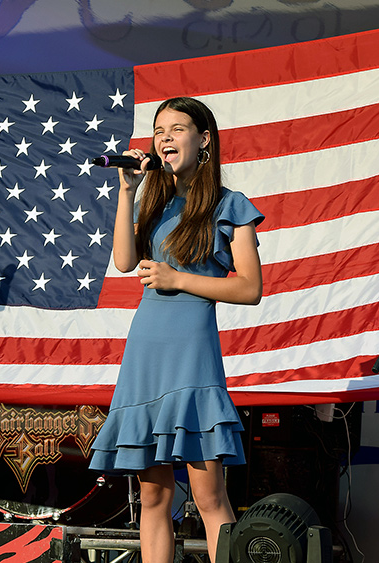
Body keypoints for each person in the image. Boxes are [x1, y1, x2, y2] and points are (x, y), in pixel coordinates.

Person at [88, 97, 263, 563]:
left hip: (191, 350)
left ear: (203, 139)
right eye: (159, 129)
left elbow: (250, 288)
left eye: (177, 128)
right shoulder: (152, 198)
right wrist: (127, 190)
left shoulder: (231, 205)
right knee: (153, 498)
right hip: (146, 348)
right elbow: (125, 263)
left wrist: (177, 278)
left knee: (208, 496)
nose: (164, 138)